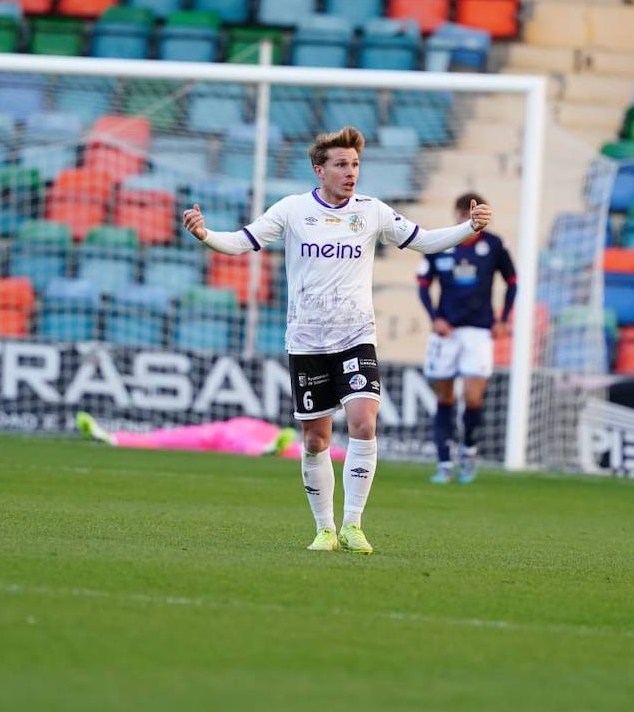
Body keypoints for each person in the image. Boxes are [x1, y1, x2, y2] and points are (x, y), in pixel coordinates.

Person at [182, 126, 492, 554]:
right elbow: (240, 243)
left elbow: (424, 242)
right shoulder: (292, 210)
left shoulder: (372, 211)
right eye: (342, 165)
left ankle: (353, 525)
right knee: (315, 441)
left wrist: (467, 228)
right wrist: (205, 234)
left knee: (364, 422)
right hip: (307, 341)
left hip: (356, 337)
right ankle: (325, 528)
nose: (351, 173)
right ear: (320, 170)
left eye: (356, 165)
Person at [417, 193, 517, 485]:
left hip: (479, 331)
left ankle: (469, 453)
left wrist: (504, 319)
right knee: (444, 396)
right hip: (446, 332)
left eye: (473, 213)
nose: (467, 218)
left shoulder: (495, 245)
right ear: (457, 214)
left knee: (472, 397)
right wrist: (434, 317)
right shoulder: (440, 243)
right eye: (463, 213)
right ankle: (444, 462)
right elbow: (423, 286)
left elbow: (512, 282)